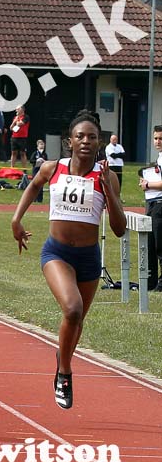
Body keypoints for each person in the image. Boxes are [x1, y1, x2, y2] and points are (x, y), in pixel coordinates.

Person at [11, 111, 125, 410]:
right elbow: (34, 185)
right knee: (72, 310)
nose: (86, 141)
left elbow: (119, 228)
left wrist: (108, 189)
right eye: (80, 136)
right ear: (69, 142)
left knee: (77, 322)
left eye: (91, 137)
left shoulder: (107, 176)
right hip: (57, 253)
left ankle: (63, 356)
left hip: (89, 258)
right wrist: (16, 220)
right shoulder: (52, 168)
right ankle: (64, 373)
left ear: (99, 143)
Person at [139, 125, 162, 291]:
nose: (158, 141)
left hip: (160, 204)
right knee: (152, 242)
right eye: (155, 138)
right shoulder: (159, 157)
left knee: (160, 244)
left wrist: (148, 184)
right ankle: (151, 280)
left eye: (161, 138)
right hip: (154, 203)